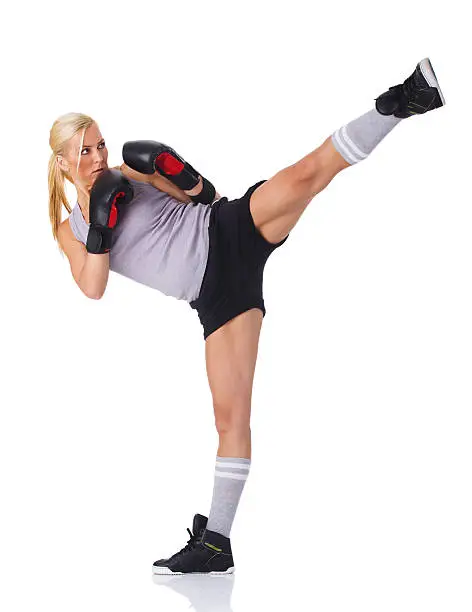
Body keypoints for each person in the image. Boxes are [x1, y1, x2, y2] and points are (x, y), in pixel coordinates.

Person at [48, 57, 445, 575]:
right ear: (62, 163)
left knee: (307, 174)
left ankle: (401, 102)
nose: (99, 156)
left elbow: (206, 197)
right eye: (85, 150)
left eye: (100, 143)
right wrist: (100, 224)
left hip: (228, 229)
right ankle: (216, 544)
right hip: (215, 295)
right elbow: (92, 286)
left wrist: (177, 174)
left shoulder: (129, 171)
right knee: (230, 418)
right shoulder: (67, 229)